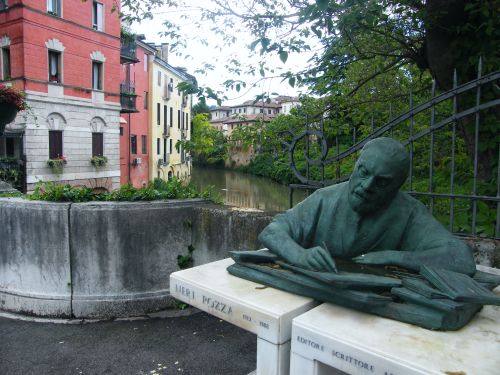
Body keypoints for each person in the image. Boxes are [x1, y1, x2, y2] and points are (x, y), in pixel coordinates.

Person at [258, 137, 476, 275]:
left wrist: (393, 257)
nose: (367, 186)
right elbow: (272, 231)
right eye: (363, 173)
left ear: (396, 186)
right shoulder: (325, 198)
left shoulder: (409, 212)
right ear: (355, 167)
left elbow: (461, 258)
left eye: (382, 182)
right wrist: (300, 255)